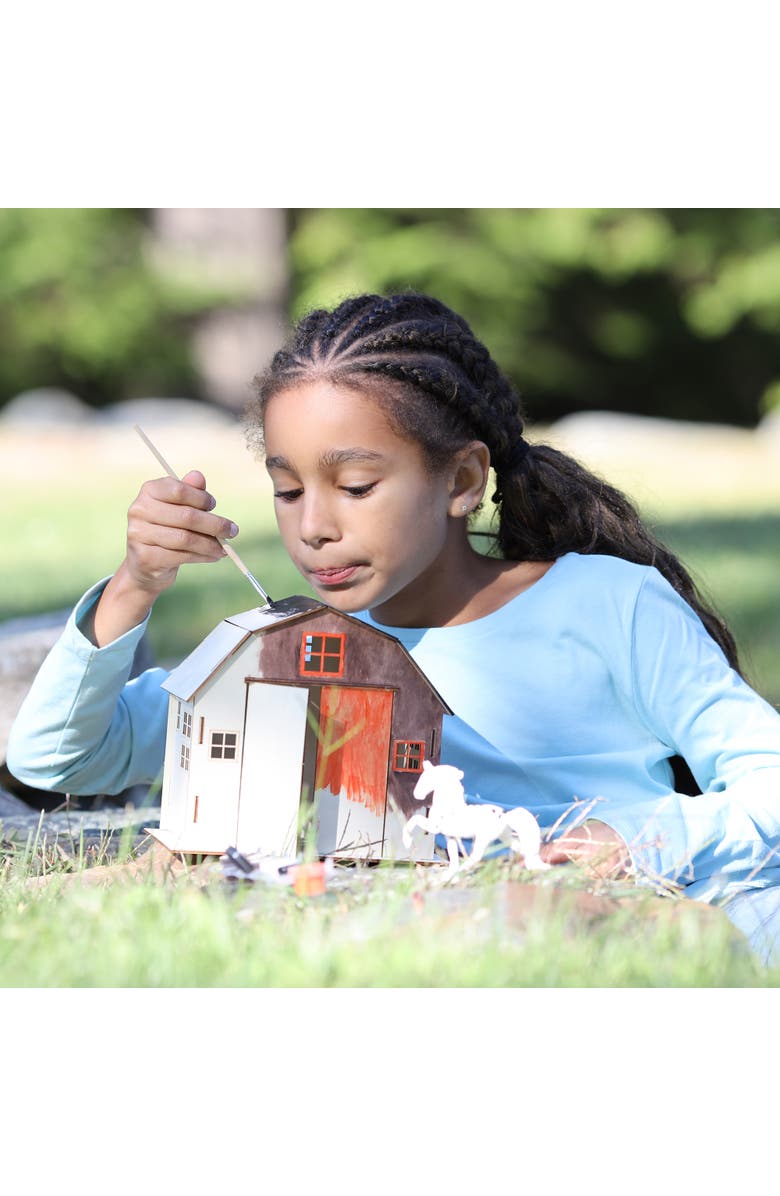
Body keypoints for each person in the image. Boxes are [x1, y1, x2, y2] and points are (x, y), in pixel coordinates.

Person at [8, 292, 780, 963]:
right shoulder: (291, 654)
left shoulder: (609, 603)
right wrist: (134, 586)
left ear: (463, 480)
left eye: (355, 485)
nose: (313, 526)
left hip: (647, 898)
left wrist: (631, 838)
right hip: (431, 919)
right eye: (286, 490)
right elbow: (56, 760)